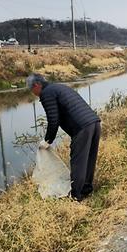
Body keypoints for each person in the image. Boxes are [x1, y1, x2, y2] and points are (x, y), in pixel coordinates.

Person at [27, 73, 101, 201]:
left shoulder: (46, 94)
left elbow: (53, 119)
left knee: (78, 161)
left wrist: (48, 140)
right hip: (94, 123)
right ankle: (86, 189)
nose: (32, 93)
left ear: (37, 85)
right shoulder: (58, 87)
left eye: (31, 89)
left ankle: (76, 196)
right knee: (89, 158)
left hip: (82, 128)